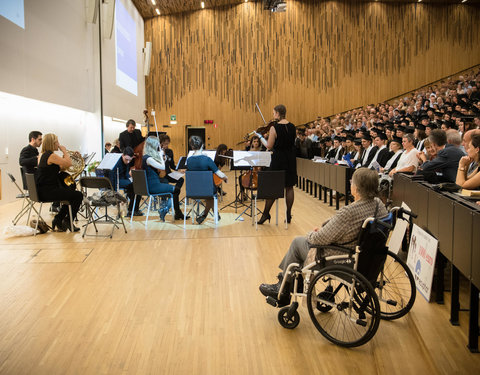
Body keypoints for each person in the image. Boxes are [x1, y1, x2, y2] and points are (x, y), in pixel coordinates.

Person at [259, 168, 388, 299]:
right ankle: (291, 283)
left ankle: (283, 288)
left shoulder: (349, 212)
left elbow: (319, 239)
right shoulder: (379, 205)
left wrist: (311, 234)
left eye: (351, 182)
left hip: (342, 258)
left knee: (297, 243)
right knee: (303, 243)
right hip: (369, 259)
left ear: (356, 187)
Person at [255, 104, 296, 224]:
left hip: (279, 159)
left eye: (274, 113)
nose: (273, 115)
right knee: (289, 187)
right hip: (290, 159)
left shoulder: (274, 128)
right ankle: (288, 214)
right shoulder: (293, 127)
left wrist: (262, 137)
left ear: (277, 113)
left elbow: (269, 146)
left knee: (273, 187)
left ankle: (266, 213)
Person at [35, 134, 83, 232]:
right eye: (57, 141)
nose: (59, 144)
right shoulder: (51, 155)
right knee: (78, 195)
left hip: (43, 191)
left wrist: (72, 157)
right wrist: (64, 151)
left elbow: (62, 167)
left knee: (70, 193)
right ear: (52, 143)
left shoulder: (43, 155)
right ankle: (67, 220)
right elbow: (68, 163)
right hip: (49, 192)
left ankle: (58, 219)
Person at [186, 136, 228, 224]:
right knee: (211, 193)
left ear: (192, 147)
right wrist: (225, 178)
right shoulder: (207, 159)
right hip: (206, 190)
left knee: (210, 191)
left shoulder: (189, 160)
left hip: (192, 191)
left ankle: (212, 214)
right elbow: (219, 174)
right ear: (202, 145)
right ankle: (205, 214)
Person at [142, 136, 181, 221]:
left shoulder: (147, 157)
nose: (159, 146)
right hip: (154, 186)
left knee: (174, 190)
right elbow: (163, 167)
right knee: (176, 190)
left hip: (152, 184)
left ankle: (165, 209)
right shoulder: (148, 159)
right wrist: (161, 156)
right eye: (157, 144)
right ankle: (165, 209)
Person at [159, 134, 188, 219]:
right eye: (165, 144)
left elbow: (172, 166)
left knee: (180, 180)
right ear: (160, 143)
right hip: (160, 176)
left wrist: (179, 169)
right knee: (172, 189)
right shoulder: (157, 152)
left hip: (168, 174)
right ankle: (177, 211)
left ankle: (175, 196)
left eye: (168, 143)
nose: (166, 146)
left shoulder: (169, 152)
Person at [113, 147, 142, 217]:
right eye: (126, 159)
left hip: (123, 179)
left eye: (130, 160)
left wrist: (131, 179)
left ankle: (134, 209)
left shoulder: (127, 161)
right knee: (134, 186)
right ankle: (132, 209)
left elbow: (126, 173)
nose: (128, 162)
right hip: (116, 180)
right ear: (123, 155)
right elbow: (113, 176)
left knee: (138, 185)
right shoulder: (116, 161)